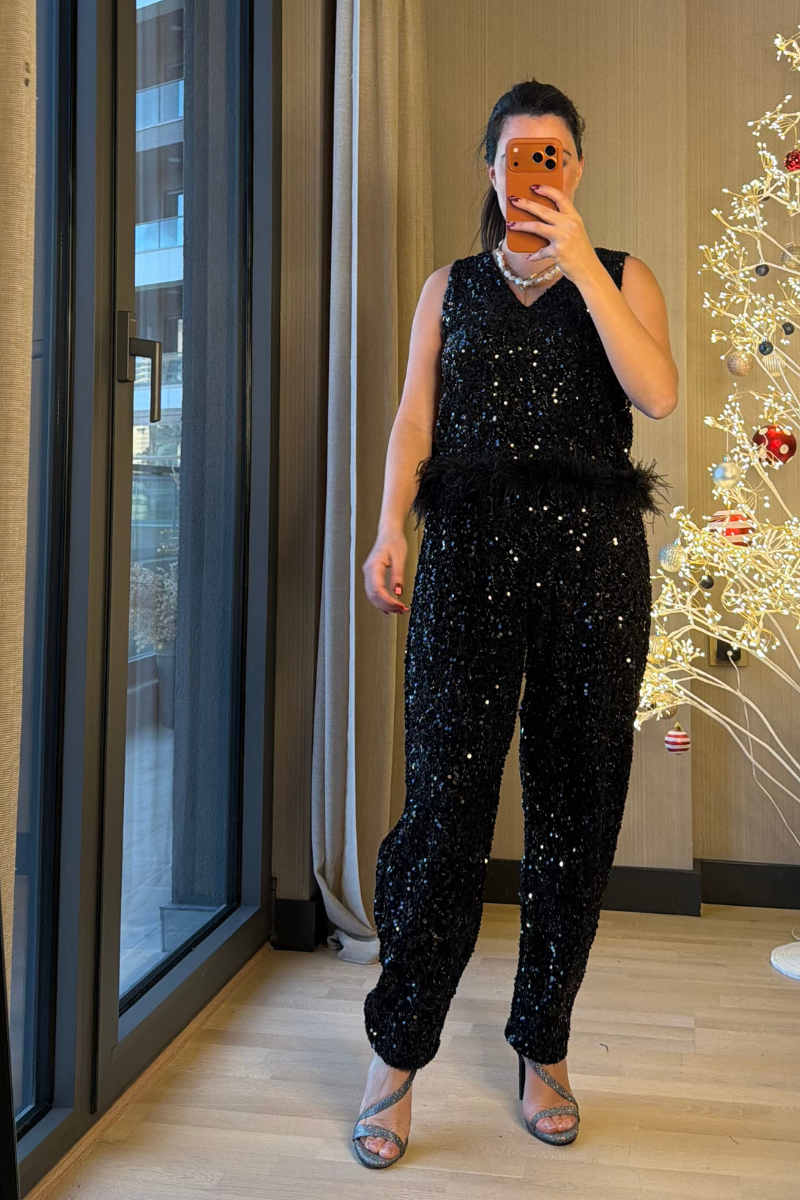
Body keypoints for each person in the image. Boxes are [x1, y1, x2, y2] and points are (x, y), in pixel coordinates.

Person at [352, 78, 678, 1168]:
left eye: (554, 153)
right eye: (516, 154)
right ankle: (395, 1056)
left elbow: (657, 394)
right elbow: (415, 416)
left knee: (576, 808)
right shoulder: (448, 287)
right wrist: (389, 527)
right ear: (489, 170)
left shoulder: (621, 273)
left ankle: (544, 1044)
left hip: (594, 565)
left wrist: (582, 266)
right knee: (443, 810)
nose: (536, 169)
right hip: (467, 559)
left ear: (575, 168)